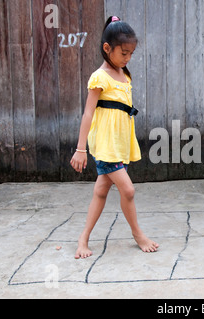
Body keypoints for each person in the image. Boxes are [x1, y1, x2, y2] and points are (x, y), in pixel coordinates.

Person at [70, 16, 159, 259]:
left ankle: (83, 239)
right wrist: (80, 149)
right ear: (107, 48)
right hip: (106, 145)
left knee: (101, 191)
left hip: (119, 143)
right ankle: (138, 234)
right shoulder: (100, 77)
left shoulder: (123, 74)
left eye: (131, 53)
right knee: (128, 190)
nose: (128, 58)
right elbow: (88, 113)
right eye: (124, 53)